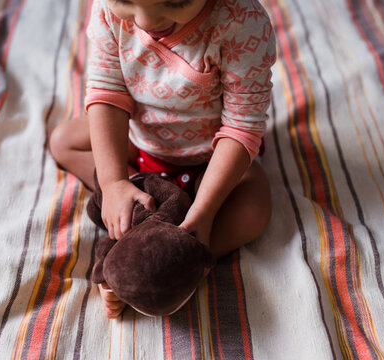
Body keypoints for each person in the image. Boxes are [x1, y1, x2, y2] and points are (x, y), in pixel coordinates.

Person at [49, 0, 276, 318]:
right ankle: (136, 215)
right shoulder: (107, 11)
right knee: (63, 141)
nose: (145, 21)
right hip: (140, 145)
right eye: (125, 2)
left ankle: (186, 257)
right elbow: (108, 92)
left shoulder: (241, 21)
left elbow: (241, 128)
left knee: (254, 209)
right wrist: (113, 181)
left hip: (208, 160)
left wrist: (206, 209)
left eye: (174, 2)